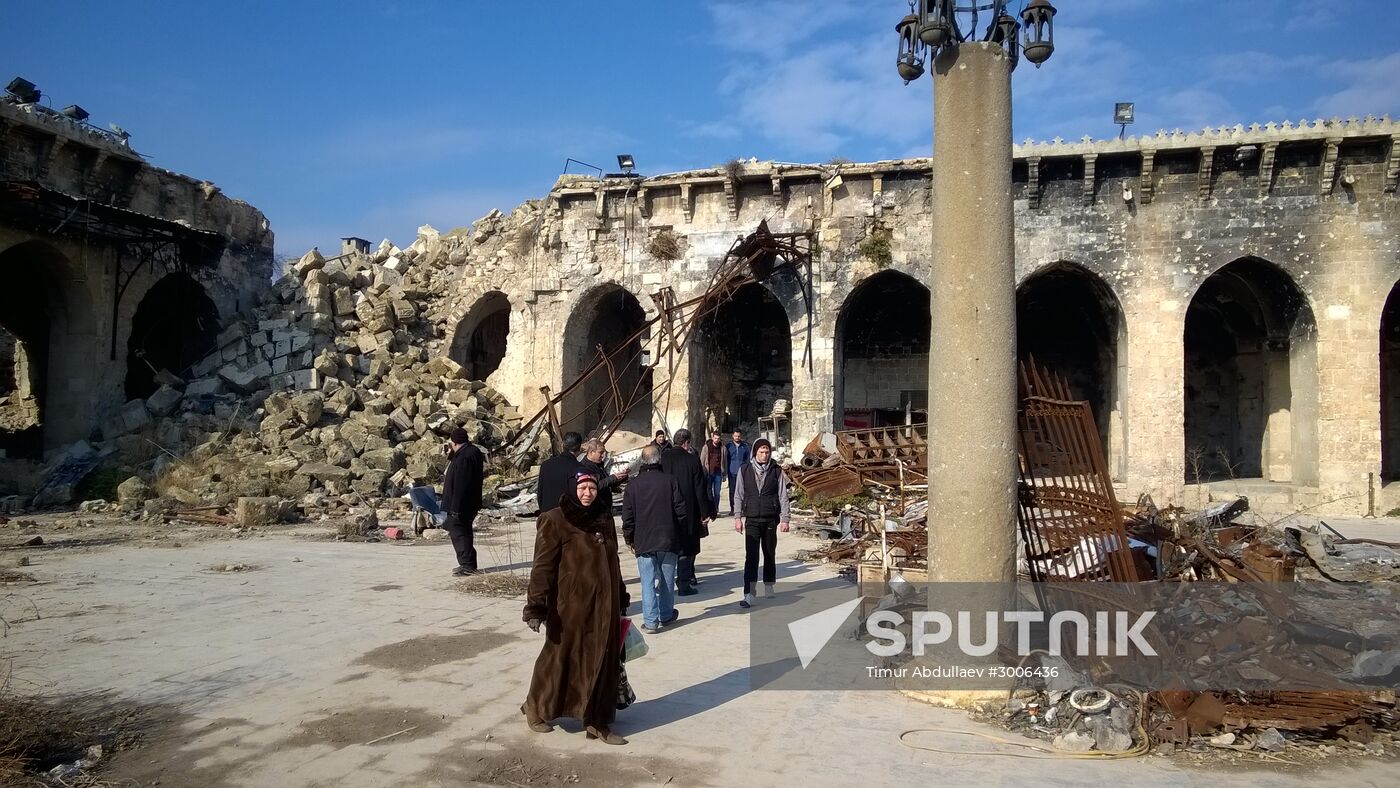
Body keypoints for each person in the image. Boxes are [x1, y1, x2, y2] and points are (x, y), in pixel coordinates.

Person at [522, 471, 630, 745]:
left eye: (592, 488)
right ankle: (535, 707)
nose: (588, 493)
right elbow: (542, 567)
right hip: (569, 608)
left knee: (603, 662)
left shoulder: (604, 517)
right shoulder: (555, 519)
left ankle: (598, 721)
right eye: (583, 488)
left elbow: (613, 562)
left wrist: (621, 595)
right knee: (558, 659)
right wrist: (536, 606)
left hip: (604, 607)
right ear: (573, 489)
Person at [621, 445, 686, 634]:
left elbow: (628, 516)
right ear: (659, 460)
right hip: (667, 538)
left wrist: (629, 538)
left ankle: (650, 622)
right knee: (666, 580)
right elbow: (681, 511)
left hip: (644, 539)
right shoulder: (670, 481)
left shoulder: (633, 485)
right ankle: (666, 615)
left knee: (647, 582)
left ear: (642, 461)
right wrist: (679, 533)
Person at [733, 438, 790, 609]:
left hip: (770, 519)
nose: (765, 455)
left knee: (769, 553)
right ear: (755, 453)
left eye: (767, 452)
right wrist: (737, 518)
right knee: (751, 557)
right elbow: (738, 495)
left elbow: (783, 495)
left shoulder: (776, 471)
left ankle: (769, 584)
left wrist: (785, 518)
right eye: (761, 452)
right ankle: (749, 593)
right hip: (751, 519)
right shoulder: (745, 470)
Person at [660, 428, 713, 596]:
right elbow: (700, 489)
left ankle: (664, 585)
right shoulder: (692, 460)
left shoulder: (663, 457)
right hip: (688, 509)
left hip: (665, 508)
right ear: (687, 443)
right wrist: (704, 512)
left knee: (667, 547)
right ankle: (683, 583)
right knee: (687, 547)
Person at [441, 427, 484, 576]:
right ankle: (467, 563)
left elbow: (462, 483)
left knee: (460, 534)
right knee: (463, 532)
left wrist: (456, 507)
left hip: (461, 504)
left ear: (454, 442)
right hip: (468, 502)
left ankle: (468, 566)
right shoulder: (470, 452)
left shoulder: (465, 457)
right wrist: (452, 456)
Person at [536, 431, 583, 514]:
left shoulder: (546, 465)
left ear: (563, 445)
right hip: (568, 516)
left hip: (548, 515)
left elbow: (540, 494)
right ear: (579, 448)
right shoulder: (579, 468)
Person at [580, 438, 629, 512]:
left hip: (605, 507)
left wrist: (621, 478)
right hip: (594, 509)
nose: (603, 455)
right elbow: (595, 486)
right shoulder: (584, 467)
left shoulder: (599, 465)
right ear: (592, 452)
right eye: (600, 452)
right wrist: (612, 478)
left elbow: (606, 483)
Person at [723, 429, 751, 515]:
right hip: (732, 472)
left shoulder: (745, 446)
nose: (737, 438)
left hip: (742, 472)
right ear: (732, 436)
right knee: (732, 491)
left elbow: (748, 460)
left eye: (738, 436)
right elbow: (725, 460)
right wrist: (725, 471)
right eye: (735, 436)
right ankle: (733, 509)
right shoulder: (728, 447)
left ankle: (742, 509)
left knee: (743, 491)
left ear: (741, 436)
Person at [698, 431, 724, 513]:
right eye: (715, 438)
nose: (717, 440)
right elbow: (702, 460)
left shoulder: (723, 448)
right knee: (709, 492)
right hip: (709, 472)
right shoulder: (706, 447)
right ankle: (710, 509)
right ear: (712, 438)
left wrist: (724, 472)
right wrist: (702, 471)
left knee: (717, 492)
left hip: (718, 473)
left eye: (718, 438)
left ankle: (716, 508)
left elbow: (724, 461)